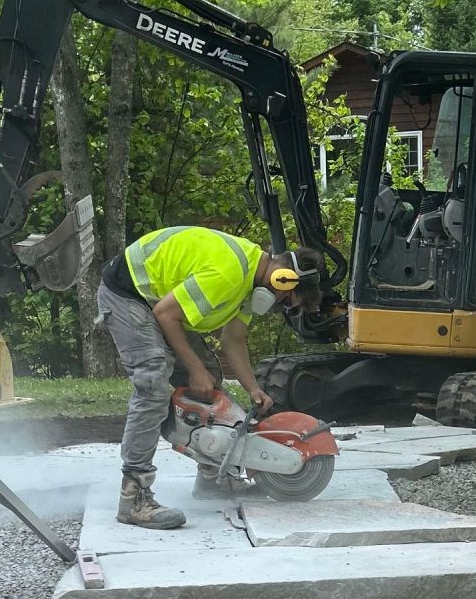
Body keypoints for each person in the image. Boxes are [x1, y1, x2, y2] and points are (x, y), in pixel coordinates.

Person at [96, 224, 323, 528]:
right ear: (283, 280)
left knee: (210, 384)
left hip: (157, 302)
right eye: (285, 301)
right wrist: (194, 368)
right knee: (153, 382)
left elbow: (234, 340)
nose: (277, 307)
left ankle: (213, 479)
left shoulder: (249, 284)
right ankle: (134, 497)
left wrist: (253, 388)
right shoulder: (229, 274)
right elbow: (166, 314)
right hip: (126, 294)